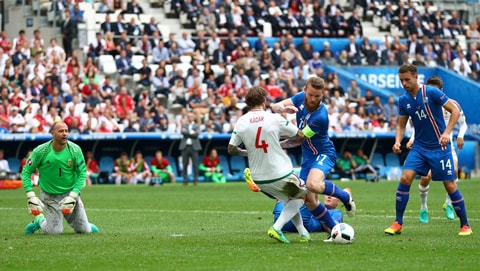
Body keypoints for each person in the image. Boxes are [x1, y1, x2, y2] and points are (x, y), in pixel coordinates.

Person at [384, 64, 472, 236]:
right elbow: (401, 125)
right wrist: (397, 141)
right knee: (405, 178)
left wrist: (447, 132)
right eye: (401, 80)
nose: (404, 83)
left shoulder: (432, 92)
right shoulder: (404, 100)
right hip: (419, 148)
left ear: (416, 77)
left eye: (407, 80)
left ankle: (465, 225)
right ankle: (398, 223)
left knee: (450, 185)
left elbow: (454, 111)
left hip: (440, 148)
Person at [270, 76, 356, 238]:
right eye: (310, 95)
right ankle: (334, 232)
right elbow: (275, 105)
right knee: (308, 200)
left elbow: (299, 139)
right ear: (305, 91)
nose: (313, 99)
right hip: (308, 158)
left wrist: (276, 144)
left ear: (322, 95)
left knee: (313, 184)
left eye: (317, 96)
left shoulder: (320, 116)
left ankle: (345, 196)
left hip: (323, 154)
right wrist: (281, 108)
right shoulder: (299, 99)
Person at [228, 86, 311, 244]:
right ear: (264, 101)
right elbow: (300, 136)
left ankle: (303, 233)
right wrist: (282, 143)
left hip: (258, 177)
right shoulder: (274, 118)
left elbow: (231, 148)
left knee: (290, 200)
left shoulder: (241, 122)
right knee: (303, 196)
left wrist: (247, 153)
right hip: (278, 172)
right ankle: (277, 227)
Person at [406, 76, 468, 223]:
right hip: (426, 147)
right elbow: (417, 126)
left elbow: (463, 123)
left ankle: (448, 205)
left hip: (446, 147)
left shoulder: (453, 105)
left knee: (453, 172)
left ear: (441, 91)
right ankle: (423, 208)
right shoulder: (422, 104)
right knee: (426, 177)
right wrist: (412, 138)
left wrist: (460, 135)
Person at [22, 122, 98, 235]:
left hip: (70, 194)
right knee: (55, 232)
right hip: (50, 196)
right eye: (61, 131)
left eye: (66, 131)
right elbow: (26, 172)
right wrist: (30, 195)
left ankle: (85, 224)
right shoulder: (40, 151)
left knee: (84, 231)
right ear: (52, 133)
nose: (65, 134)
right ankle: (39, 221)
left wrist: (73, 195)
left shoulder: (75, 150)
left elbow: (82, 173)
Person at [274, 188, 352, 233]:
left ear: (339, 201)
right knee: (286, 196)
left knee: (308, 188)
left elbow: (333, 229)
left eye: (334, 196)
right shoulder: (315, 204)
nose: (329, 197)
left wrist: (320, 215)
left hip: (306, 224)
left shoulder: (336, 212)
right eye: (328, 194)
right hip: (281, 219)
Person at [179, 112, 202, 185]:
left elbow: (196, 134)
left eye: (191, 117)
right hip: (185, 147)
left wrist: (188, 133)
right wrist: (191, 132)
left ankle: (195, 180)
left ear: (193, 118)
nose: (190, 118)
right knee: (184, 164)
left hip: (194, 147)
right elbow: (183, 132)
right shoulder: (184, 125)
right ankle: (185, 180)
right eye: (188, 117)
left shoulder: (196, 125)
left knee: (195, 164)